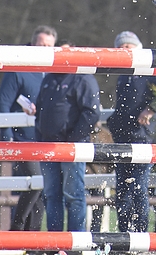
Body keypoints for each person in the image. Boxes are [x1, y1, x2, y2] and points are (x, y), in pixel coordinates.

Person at [35, 32, 101, 232]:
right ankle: (54, 243)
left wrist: (73, 139)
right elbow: (41, 109)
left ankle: (75, 244)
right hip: (48, 146)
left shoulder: (82, 79)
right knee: (52, 194)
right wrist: (40, 134)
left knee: (73, 195)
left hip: (72, 146)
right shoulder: (49, 78)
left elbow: (92, 113)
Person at [0, 26, 52, 231]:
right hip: (22, 138)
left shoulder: (52, 72)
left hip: (45, 139)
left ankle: (32, 237)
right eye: (41, 44)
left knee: (40, 190)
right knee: (37, 183)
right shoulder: (18, 69)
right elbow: (3, 103)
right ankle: (17, 228)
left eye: (48, 46)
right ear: (32, 43)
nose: (44, 49)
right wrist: (7, 136)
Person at [106, 30, 156, 232]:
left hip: (142, 137)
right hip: (122, 136)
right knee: (122, 190)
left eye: (127, 47)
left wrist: (151, 109)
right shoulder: (124, 74)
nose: (124, 51)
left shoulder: (149, 68)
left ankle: (140, 232)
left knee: (138, 188)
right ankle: (124, 234)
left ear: (137, 48)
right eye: (120, 48)